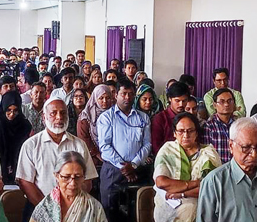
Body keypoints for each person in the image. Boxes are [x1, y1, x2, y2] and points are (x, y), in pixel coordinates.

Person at [17, 97, 98, 206]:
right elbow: (25, 182)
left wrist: (70, 204)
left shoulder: (79, 145)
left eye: (63, 113)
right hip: (39, 207)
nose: (59, 117)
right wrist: (49, 209)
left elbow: (87, 181)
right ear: (44, 117)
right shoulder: (31, 145)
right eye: (53, 113)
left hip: (74, 208)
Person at [97, 79, 151, 212]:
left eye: (131, 94)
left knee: (137, 210)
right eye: (124, 93)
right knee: (110, 211)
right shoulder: (106, 118)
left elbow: (147, 144)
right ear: (116, 95)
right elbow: (105, 147)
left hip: (136, 170)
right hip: (113, 170)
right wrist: (124, 167)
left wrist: (133, 165)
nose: (127, 97)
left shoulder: (143, 118)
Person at [0, 90, 32, 184]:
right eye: (8, 110)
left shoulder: (26, 126)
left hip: (20, 171)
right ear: (4, 108)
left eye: (15, 110)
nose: (12, 114)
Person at [78, 84, 113, 172]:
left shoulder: (115, 114)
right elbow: (83, 139)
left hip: (112, 154)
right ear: (95, 99)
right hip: (93, 155)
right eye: (101, 98)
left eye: (107, 98)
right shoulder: (86, 117)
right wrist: (97, 154)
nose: (104, 101)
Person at [151, 82, 190, 154]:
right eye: (177, 101)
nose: (181, 104)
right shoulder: (160, 119)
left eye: (184, 101)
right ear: (169, 99)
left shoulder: (190, 119)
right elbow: (156, 147)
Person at [202, 88, 238, 164]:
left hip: (236, 167)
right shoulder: (208, 126)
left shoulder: (238, 125)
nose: (226, 104)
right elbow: (205, 154)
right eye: (222, 101)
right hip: (216, 168)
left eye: (229, 101)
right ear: (214, 105)